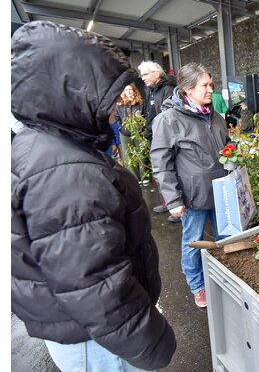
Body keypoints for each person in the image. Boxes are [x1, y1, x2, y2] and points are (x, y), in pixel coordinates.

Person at [11, 21, 176, 371]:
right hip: (101, 344)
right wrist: (153, 340)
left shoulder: (44, 145)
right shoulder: (65, 171)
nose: (117, 102)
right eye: (107, 91)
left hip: (83, 330)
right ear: (74, 90)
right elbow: (94, 285)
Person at [150, 62, 230, 308]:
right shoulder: (168, 120)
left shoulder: (216, 117)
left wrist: (234, 153)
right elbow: (161, 163)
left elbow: (227, 145)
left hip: (222, 191)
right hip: (192, 197)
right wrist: (173, 200)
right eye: (205, 85)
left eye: (211, 84)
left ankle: (224, 279)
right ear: (187, 89)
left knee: (224, 239)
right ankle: (198, 285)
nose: (211, 90)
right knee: (193, 242)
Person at [138, 60, 179, 221]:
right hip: (153, 137)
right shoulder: (151, 90)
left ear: (156, 73)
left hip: (164, 139)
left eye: (145, 74)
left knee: (169, 170)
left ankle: (177, 208)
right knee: (160, 172)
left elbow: (168, 117)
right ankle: (166, 203)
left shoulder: (167, 89)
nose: (143, 78)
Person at [115, 84, 151, 185]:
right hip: (125, 133)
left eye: (130, 90)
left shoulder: (141, 103)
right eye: (126, 90)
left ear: (135, 91)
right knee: (129, 155)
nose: (129, 92)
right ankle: (135, 178)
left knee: (142, 152)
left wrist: (141, 128)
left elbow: (145, 117)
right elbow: (117, 119)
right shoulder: (120, 105)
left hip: (139, 132)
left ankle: (145, 176)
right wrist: (122, 129)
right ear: (124, 93)